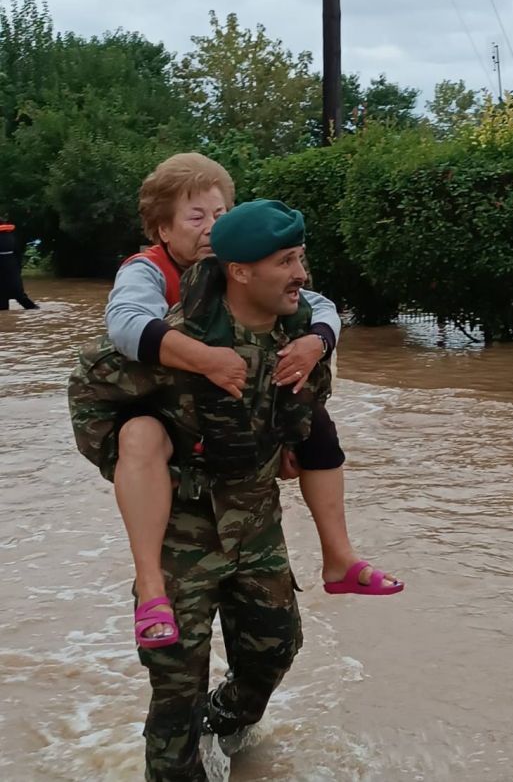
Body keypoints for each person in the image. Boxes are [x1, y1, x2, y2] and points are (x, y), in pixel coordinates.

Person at [70, 200, 335, 779]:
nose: (302, 274)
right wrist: (130, 454)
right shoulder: (178, 344)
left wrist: (288, 443)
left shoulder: (302, 340)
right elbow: (89, 387)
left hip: (257, 525)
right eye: (287, 261)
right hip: (180, 536)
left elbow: (311, 409)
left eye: (301, 258)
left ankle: (227, 722)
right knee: (175, 691)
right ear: (240, 272)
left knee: (276, 651)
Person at [104, 153, 402, 645]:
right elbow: (127, 325)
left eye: (220, 215)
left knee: (318, 423)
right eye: (195, 217)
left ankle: (339, 556)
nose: (210, 228)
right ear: (162, 230)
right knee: (140, 436)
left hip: (236, 424)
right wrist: (204, 358)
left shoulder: (244, 268)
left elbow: (319, 308)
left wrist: (315, 342)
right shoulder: (148, 271)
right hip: (165, 406)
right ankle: (152, 584)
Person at [0, 219, 39, 310]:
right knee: (19, 294)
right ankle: (34, 310)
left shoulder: (10, 237)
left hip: (8, 268)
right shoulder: (12, 236)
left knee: (3, 298)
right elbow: (18, 254)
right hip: (13, 268)